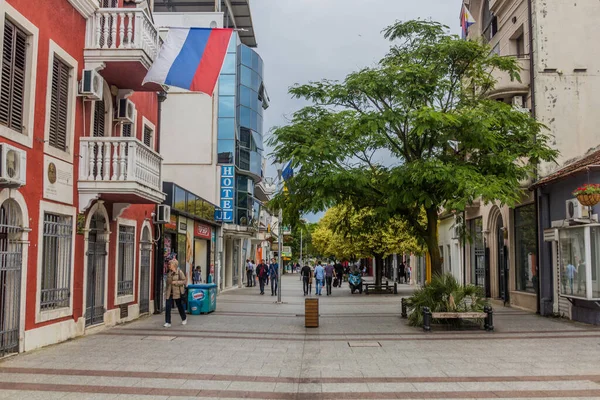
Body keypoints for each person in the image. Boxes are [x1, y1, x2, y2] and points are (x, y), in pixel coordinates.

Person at [164, 259, 187, 328]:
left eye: (170, 264)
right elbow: (168, 282)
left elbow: (184, 281)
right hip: (169, 292)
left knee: (179, 306)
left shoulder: (179, 272)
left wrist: (176, 282)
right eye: (169, 264)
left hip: (177, 293)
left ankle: (184, 318)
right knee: (167, 307)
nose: (169, 265)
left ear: (174, 265)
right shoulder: (169, 272)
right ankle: (167, 322)